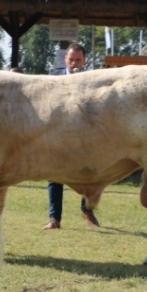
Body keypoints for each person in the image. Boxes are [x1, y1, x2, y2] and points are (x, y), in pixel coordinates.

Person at [44, 43, 99, 229]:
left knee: (88, 175)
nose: (74, 63)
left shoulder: (92, 80)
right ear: (65, 59)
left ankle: (87, 211)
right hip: (58, 134)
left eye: (78, 60)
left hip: (84, 135)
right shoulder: (52, 78)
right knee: (55, 176)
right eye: (71, 59)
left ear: (84, 61)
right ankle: (54, 219)